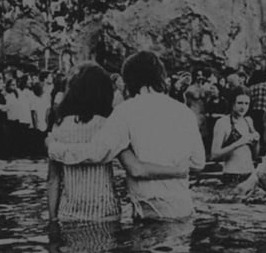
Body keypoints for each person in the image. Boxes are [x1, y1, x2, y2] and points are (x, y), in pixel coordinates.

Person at [46, 51, 205, 220]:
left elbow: (96, 153)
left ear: (131, 79)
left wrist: (54, 148)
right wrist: (176, 170)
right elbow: (198, 163)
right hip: (183, 207)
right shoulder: (184, 112)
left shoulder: (126, 111)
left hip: (150, 209)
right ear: (160, 75)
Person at [210, 87, 258, 184]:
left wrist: (257, 141)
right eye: (240, 103)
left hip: (250, 172)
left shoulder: (248, 121)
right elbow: (214, 154)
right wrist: (238, 143)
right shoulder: (223, 122)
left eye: (246, 103)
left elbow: (255, 155)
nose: (243, 107)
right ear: (232, 103)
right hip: (232, 174)